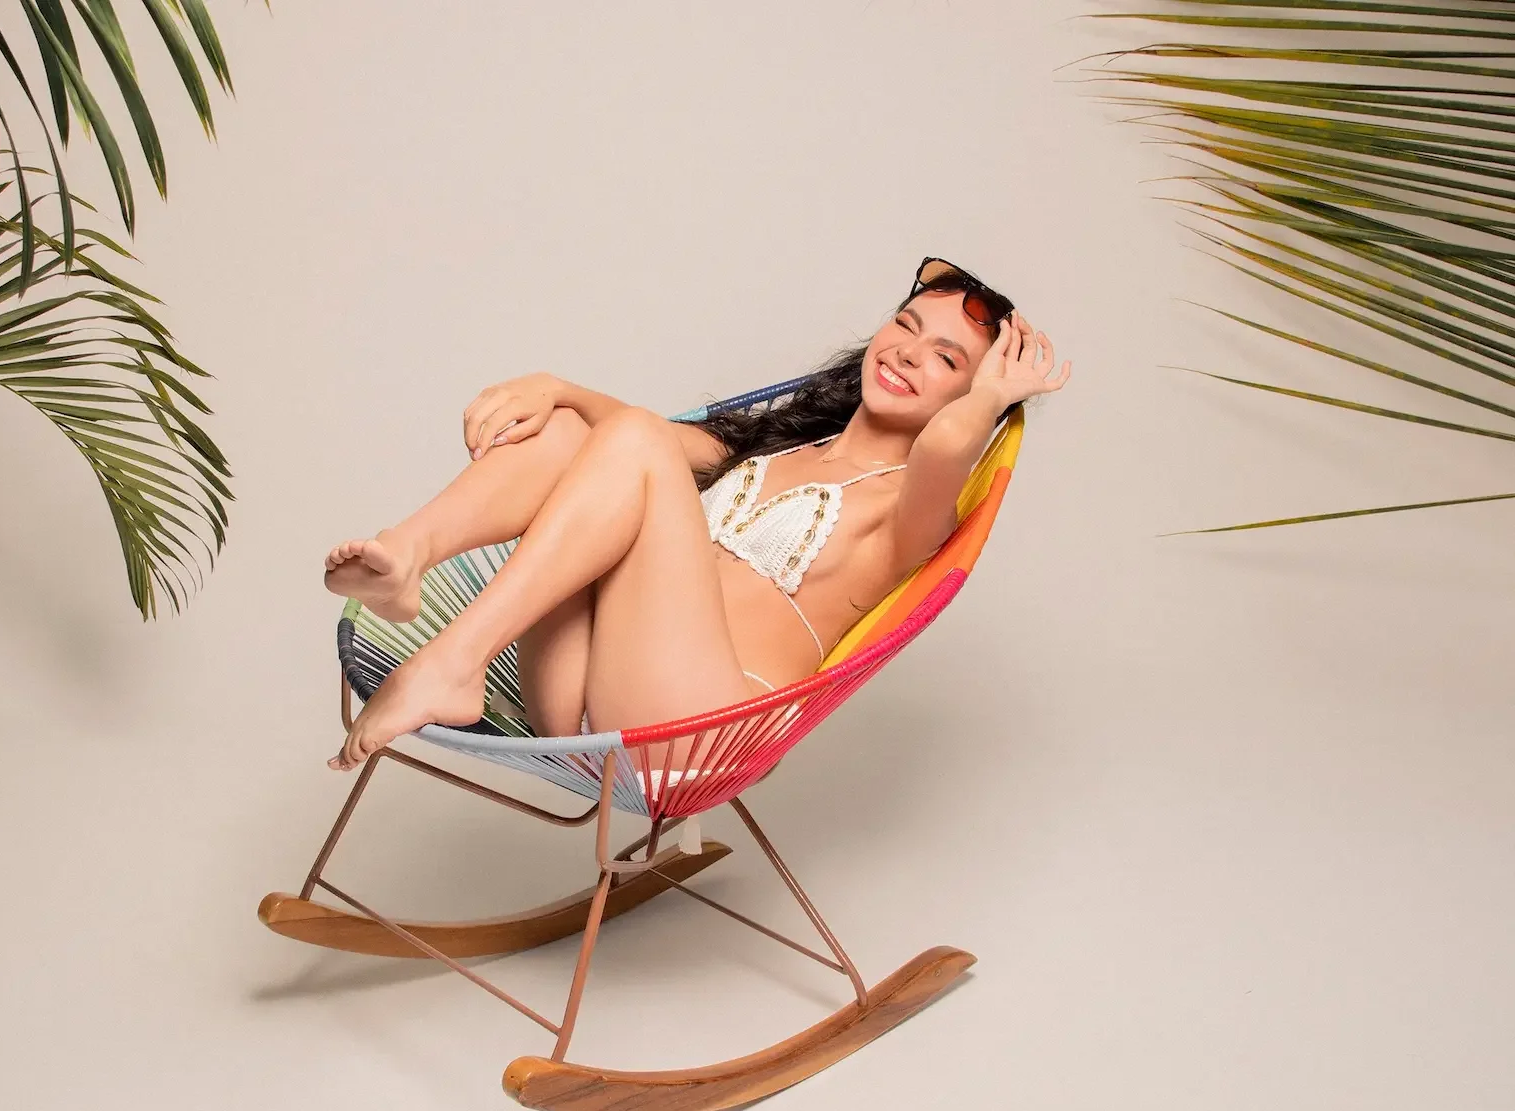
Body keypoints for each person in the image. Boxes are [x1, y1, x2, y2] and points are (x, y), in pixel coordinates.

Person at [323, 257, 1070, 771]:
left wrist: (993, 398)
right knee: (570, 429)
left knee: (636, 441)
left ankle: (455, 660)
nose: (907, 353)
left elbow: (946, 448)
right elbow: (623, 437)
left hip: (697, 733)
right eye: (905, 326)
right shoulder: (778, 448)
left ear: (965, 398)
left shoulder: (907, 511)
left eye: (945, 358)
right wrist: (557, 387)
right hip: (583, 698)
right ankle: (408, 553)